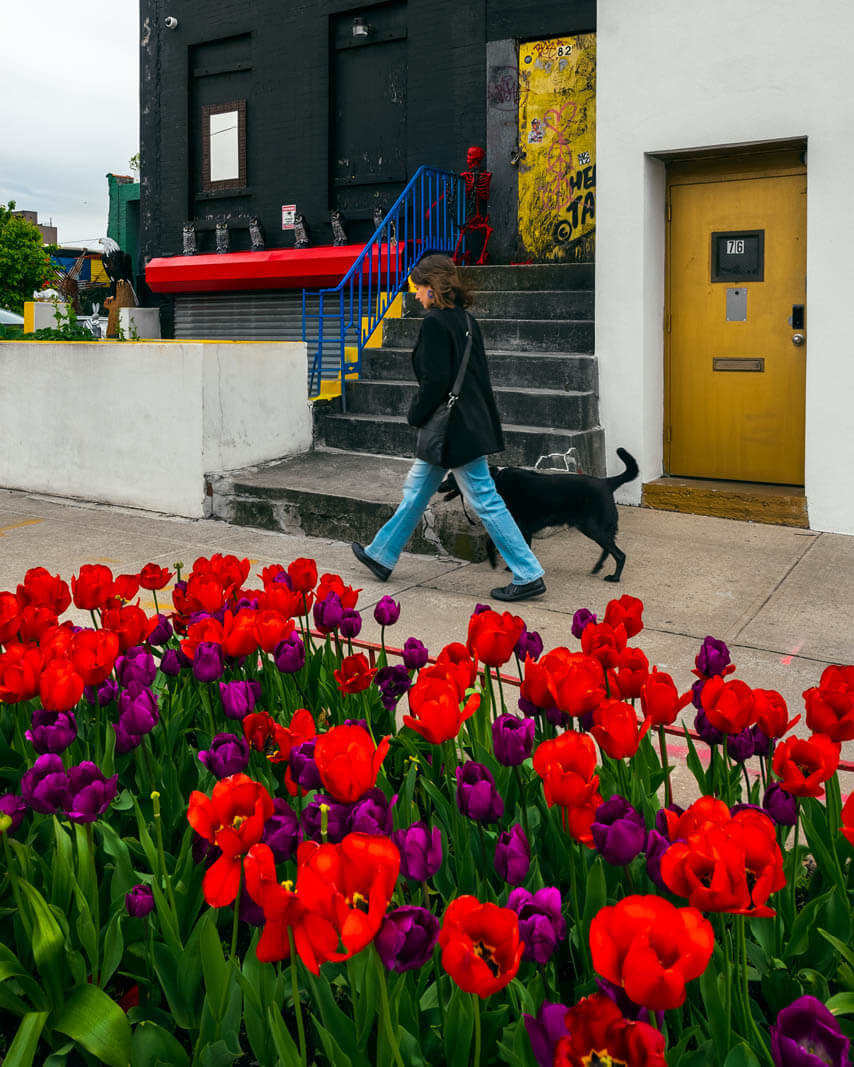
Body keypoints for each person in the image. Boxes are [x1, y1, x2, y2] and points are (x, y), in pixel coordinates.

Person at [351, 254, 546, 602]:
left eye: (418, 288)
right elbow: (478, 377)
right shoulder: (467, 319)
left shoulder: (435, 324)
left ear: (432, 288)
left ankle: (528, 573)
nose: (415, 295)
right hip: (466, 424)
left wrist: (415, 414)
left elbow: (435, 381)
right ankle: (381, 554)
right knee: (417, 492)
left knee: (485, 499)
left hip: (453, 431)